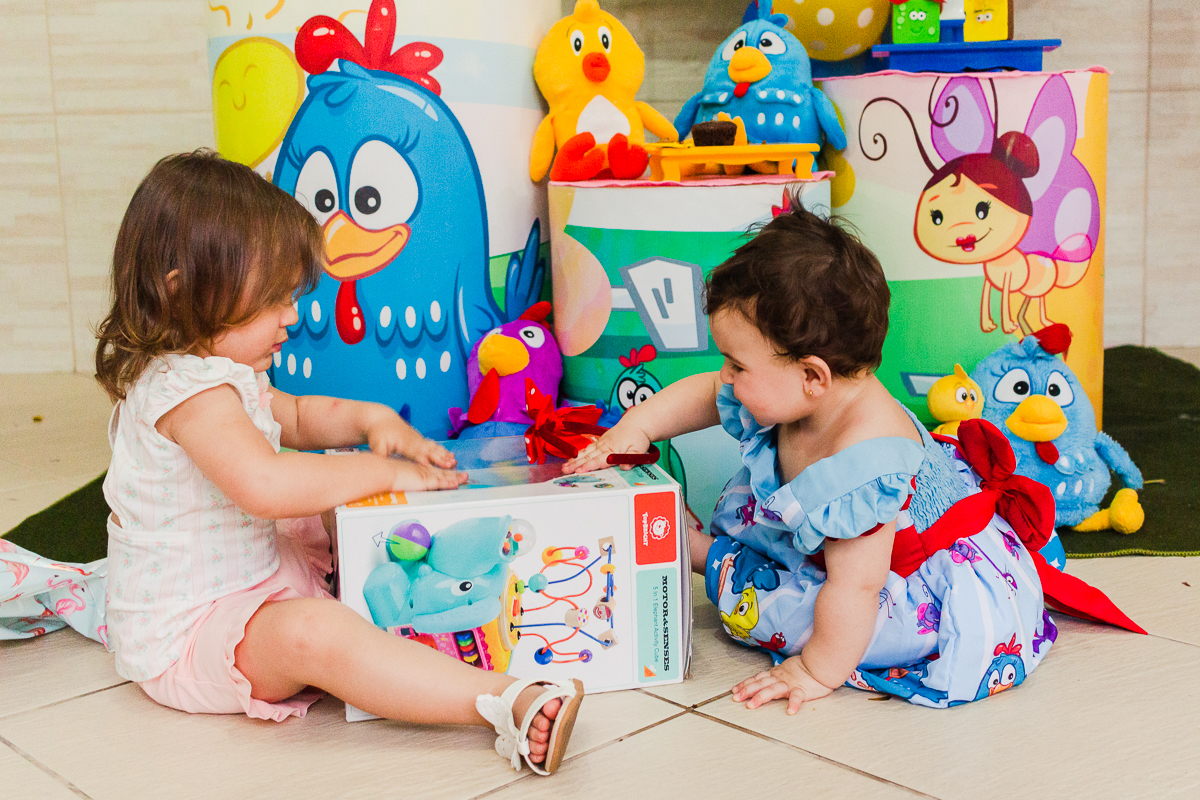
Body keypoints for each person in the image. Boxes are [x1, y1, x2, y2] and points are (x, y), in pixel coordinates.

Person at [94, 150, 583, 774]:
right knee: (317, 635)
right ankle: (498, 700)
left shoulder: (224, 372)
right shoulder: (187, 393)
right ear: (181, 290)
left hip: (250, 574)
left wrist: (371, 421)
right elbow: (266, 486)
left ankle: (402, 609)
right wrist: (386, 471)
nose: (292, 316)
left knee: (335, 499)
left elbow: (297, 417)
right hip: (192, 632)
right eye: (272, 300)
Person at [565, 196, 1058, 709]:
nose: (726, 375)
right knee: (792, 547)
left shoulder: (862, 464)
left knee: (805, 611)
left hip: (892, 576)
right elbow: (707, 392)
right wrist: (636, 427)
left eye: (737, 365)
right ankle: (707, 551)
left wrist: (815, 669)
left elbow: (856, 590)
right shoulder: (808, 391)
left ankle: (703, 554)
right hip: (840, 547)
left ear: (811, 375)